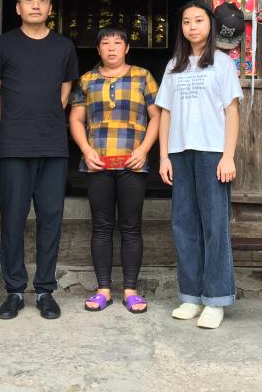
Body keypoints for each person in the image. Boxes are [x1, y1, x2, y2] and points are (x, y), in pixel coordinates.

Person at [0, 0, 78, 320]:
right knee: (12, 218)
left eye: (42, 1)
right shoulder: (3, 44)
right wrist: (13, 123)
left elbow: (65, 91)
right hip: (14, 146)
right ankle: (14, 290)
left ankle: (44, 291)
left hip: (53, 145)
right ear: (18, 8)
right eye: (29, 0)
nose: (36, 6)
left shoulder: (63, 46)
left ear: (50, 9)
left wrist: (46, 119)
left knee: (50, 218)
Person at [156, 0, 243, 329]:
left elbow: (231, 112)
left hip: (212, 153)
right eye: (186, 21)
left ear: (210, 25)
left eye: (199, 20)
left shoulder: (222, 63)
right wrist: (164, 156)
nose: (192, 27)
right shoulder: (174, 66)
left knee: (214, 226)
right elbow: (165, 113)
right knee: (184, 225)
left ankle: (216, 299)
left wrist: (228, 155)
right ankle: (191, 295)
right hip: (180, 153)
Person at [69, 27, 160, 314]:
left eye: (117, 43)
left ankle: (130, 290)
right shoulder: (87, 80)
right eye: (105, 44)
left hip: (133, 163)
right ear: (98, 50)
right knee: (101, 226)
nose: (111, 48)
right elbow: (76, 119)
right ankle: (103, 290)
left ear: (127, 48)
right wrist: (86, 150)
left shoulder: (143, 76)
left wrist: (143, 150)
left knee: (131, 227)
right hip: (98, 164)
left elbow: (157, 116)